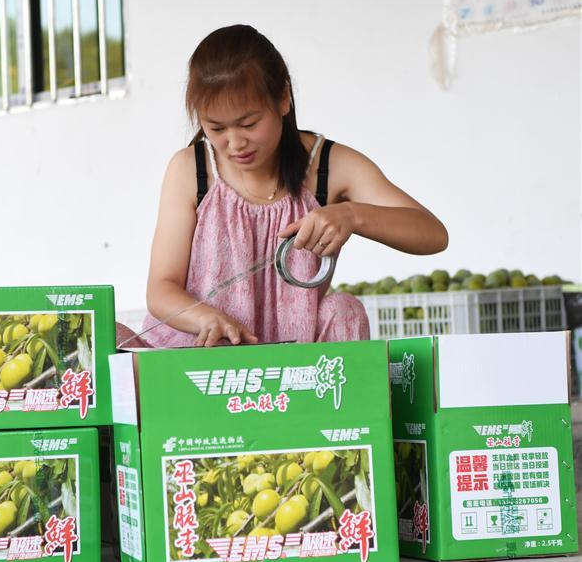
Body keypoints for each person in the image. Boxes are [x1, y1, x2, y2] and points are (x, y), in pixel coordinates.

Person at [120, 24, 448, 349]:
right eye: (216, 128)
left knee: (344, 311)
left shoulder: (329, 166)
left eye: (249, 123)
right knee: (112, 338)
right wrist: (206, 318)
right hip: (204, 351)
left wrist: (352, 215)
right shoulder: (190, 169)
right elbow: (161, 288)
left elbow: (433, 234)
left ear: (283, 98)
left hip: (297, 361)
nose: (235, 143)